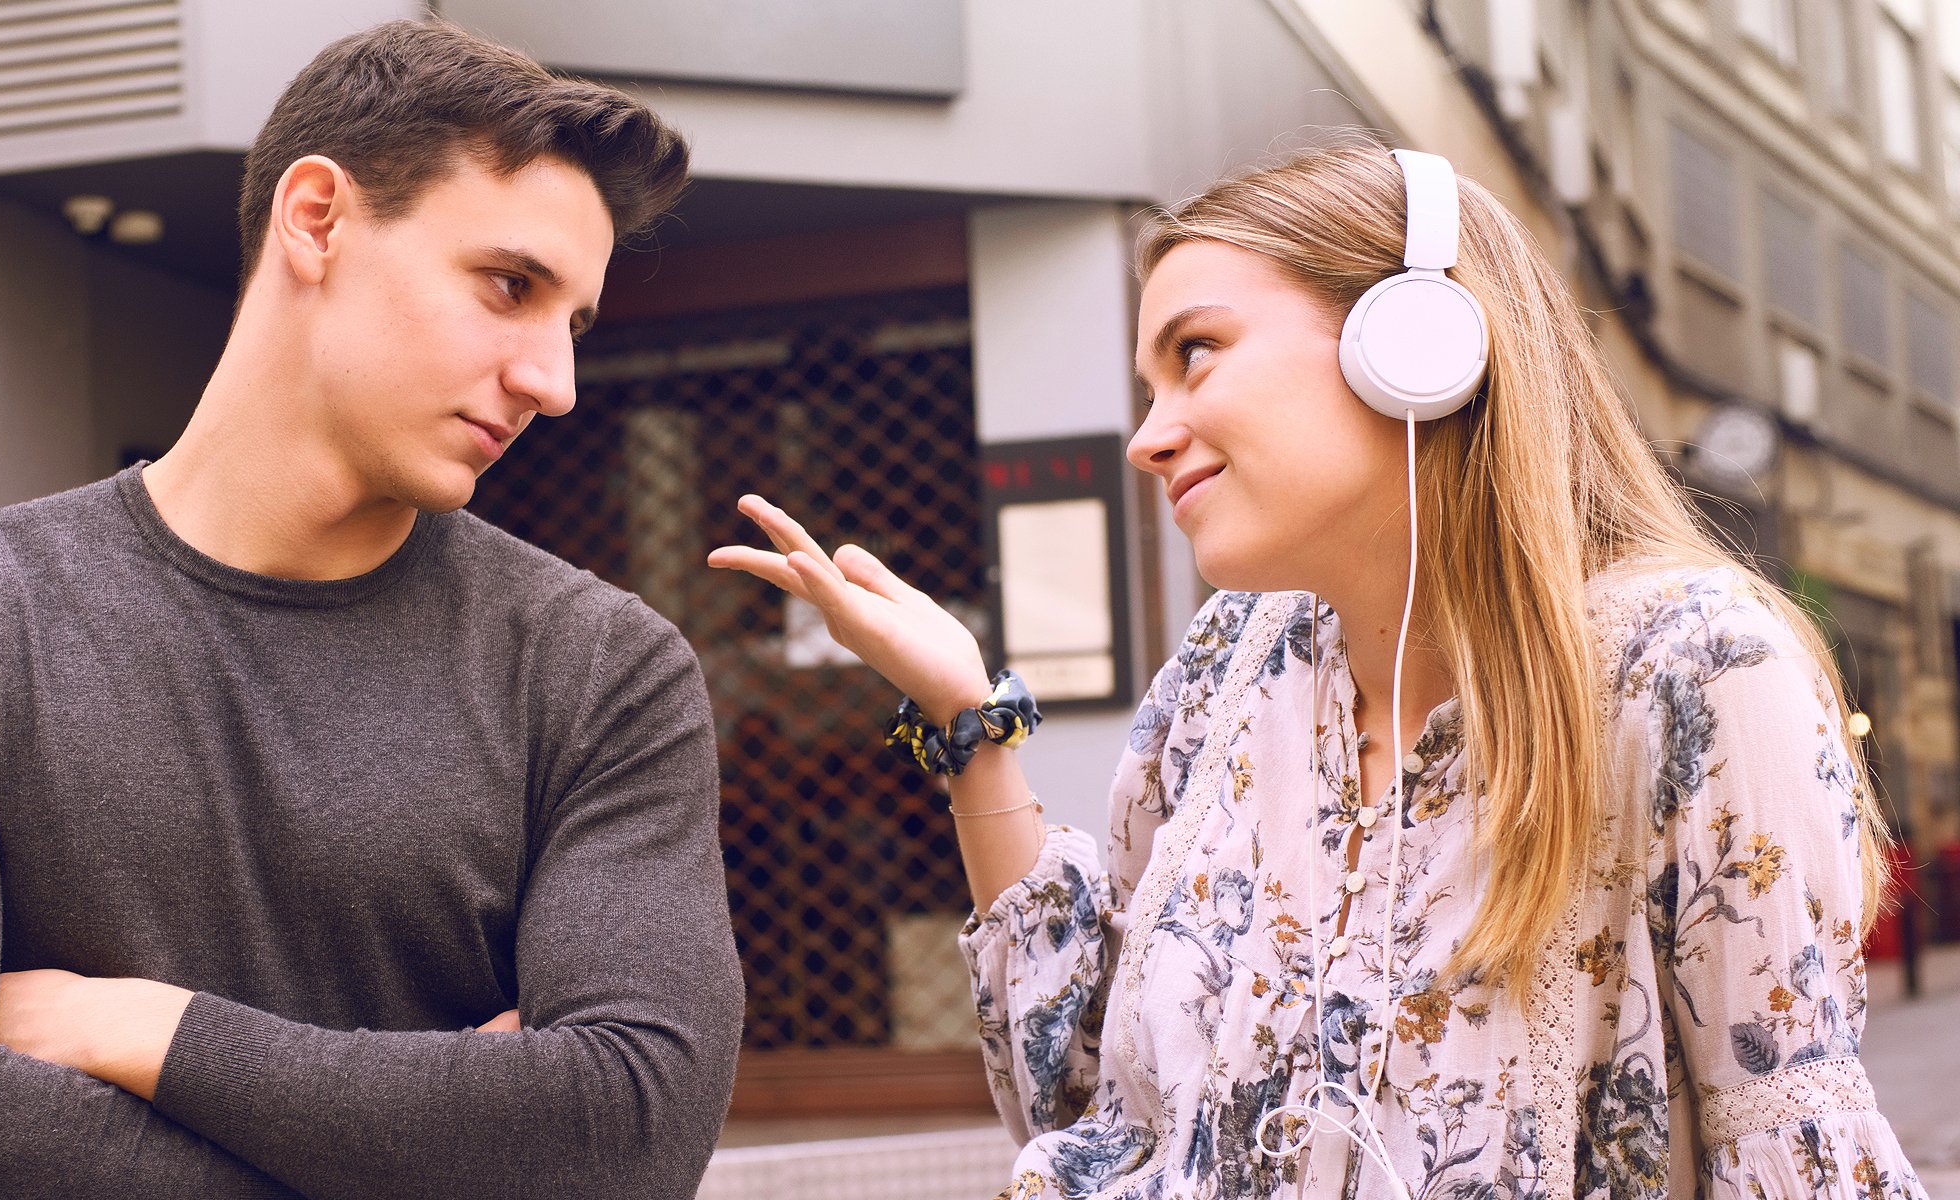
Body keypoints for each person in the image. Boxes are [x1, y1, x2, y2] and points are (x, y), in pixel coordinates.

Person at [710, 141, 1924, 1198]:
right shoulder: (1227, 668)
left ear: (1419, 344)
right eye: (1149, 382)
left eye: (1197, 354)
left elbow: (1789, 1149)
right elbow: (1078, 1096)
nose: (1148, 434)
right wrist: (969, 716)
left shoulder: (1697, 669)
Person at [0, 19, 742, 1199]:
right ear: (316, 217)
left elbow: (625, 1139)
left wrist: (148, 1031)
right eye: (508, 286)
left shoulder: (603, 672)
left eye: (569, 322)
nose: (555, 382)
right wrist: (441, 1143)